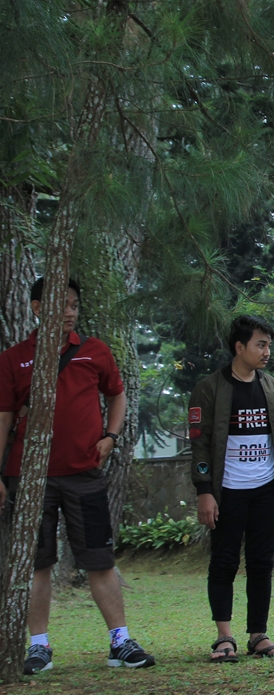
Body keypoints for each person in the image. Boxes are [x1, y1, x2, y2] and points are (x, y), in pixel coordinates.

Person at [0, 277, 155, 673]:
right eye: (61, 304)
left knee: (99, 559)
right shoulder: (14, 359)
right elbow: (3, 418)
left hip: (84, 474)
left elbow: (116, 394)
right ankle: (38, 646)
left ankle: (120, 641)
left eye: (74, 305)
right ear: (37, 308)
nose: (70, 312)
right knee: (37, 563)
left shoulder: (94, 351)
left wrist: (110, 437)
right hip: (28, 477)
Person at [189, 315, 274, 661]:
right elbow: (199, 444)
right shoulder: (209, 388)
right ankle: (224, 637)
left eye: (269, 345)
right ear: (240, 347)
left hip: (266, 488)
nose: (267, 352)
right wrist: (204, 490)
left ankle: (258, 635)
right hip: (227, 490)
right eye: (260, 345)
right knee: (224, 561)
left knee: (262, 562)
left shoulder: (271, 386)